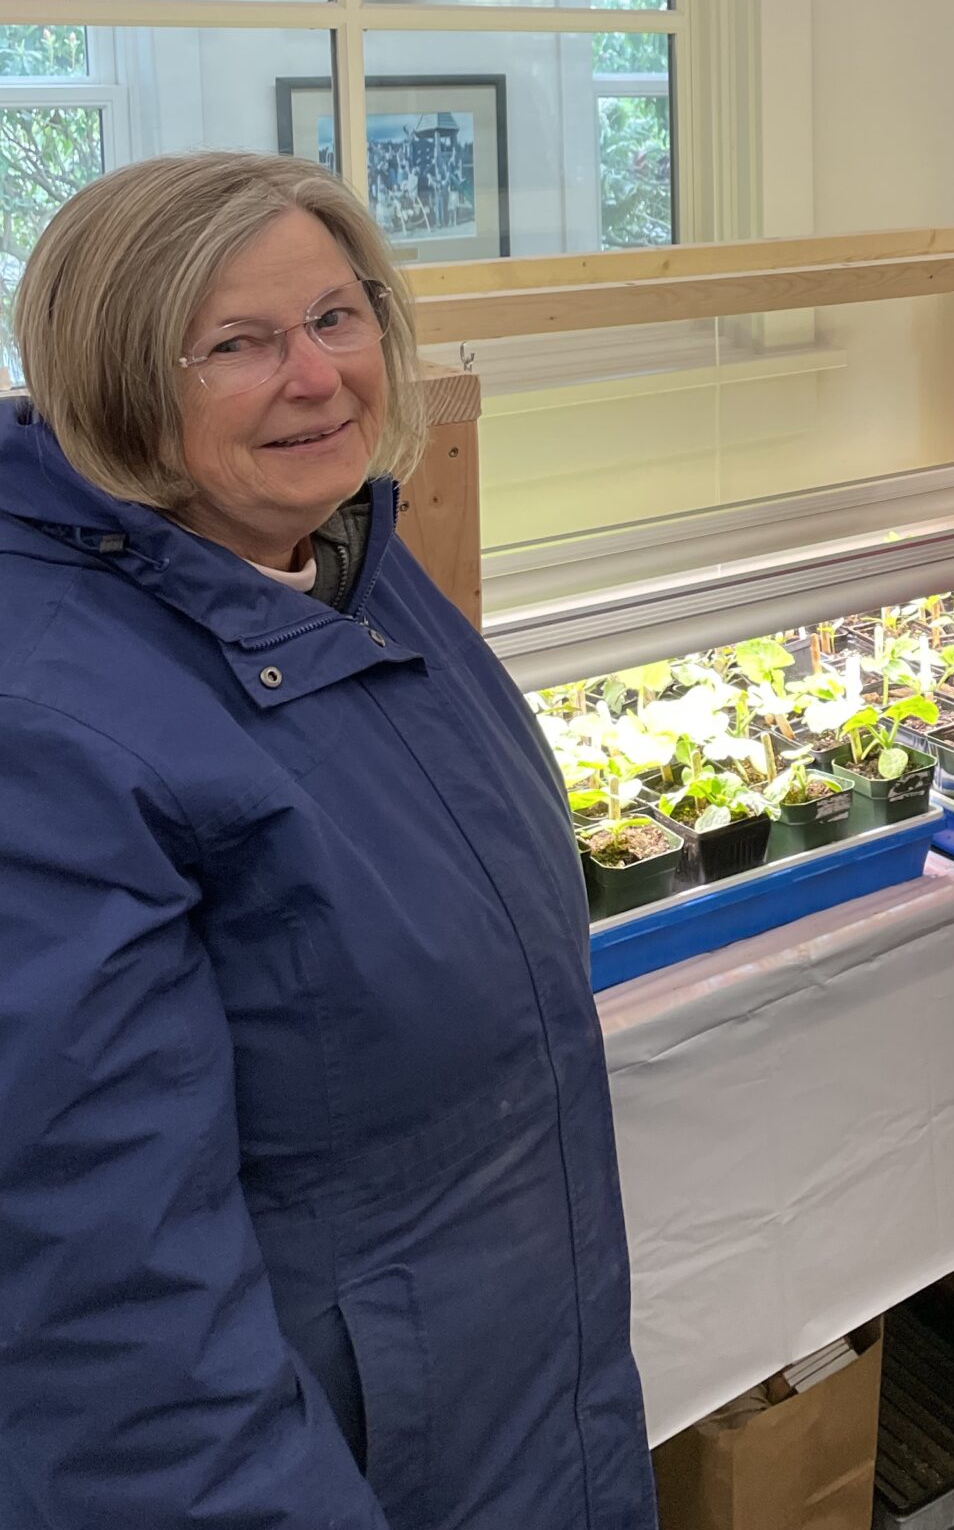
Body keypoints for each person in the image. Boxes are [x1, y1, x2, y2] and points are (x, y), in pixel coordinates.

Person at [0, 151, 655, 1530]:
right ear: (117, 375)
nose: (318, 376)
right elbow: (109, 1313)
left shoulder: (336, 547)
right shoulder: (48, 732)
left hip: (508, 1389)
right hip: (340, 1455)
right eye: (238, 342)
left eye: (339, 316)